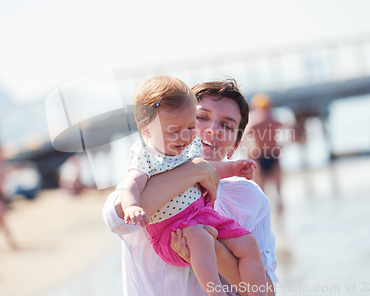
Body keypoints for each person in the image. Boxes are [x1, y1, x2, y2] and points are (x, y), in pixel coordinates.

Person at [103, 79, 278, 296]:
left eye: (227, 125)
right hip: (170, 234)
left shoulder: (248, 198)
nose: (213, 130)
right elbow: (117, 219)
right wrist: (194, 171)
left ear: (235, 146)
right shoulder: (145, 177)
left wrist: (217, 253)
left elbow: (267, 293)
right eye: (201, 118)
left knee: (240, 243)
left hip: (207, 231)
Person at [242, 93, 284, 223]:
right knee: (279, 193)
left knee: (262, 194)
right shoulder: (275, 120)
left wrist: (249, 152)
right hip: (274, 156)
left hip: (260, 157)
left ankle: (266, 223)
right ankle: (282, 223)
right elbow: (292, 132)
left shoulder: (255, 122)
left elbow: (243, 139)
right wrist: (282, 146)